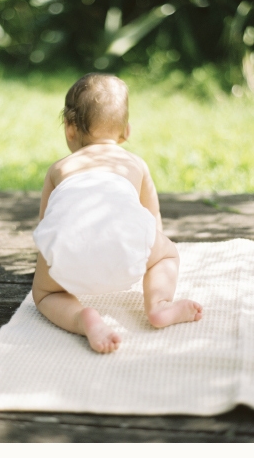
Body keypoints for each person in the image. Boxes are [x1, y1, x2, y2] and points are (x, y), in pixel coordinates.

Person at [31, 73, 203, 354]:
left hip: (69, 246)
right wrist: (151, 253)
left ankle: (81, 317)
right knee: (167, 253)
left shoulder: (60, 168)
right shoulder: (134, 163)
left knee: (46, 294)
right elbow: (152, 218)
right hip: (127, 245)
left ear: (69, 128)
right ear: (126, 132)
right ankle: (159, 306)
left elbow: (47, 224)